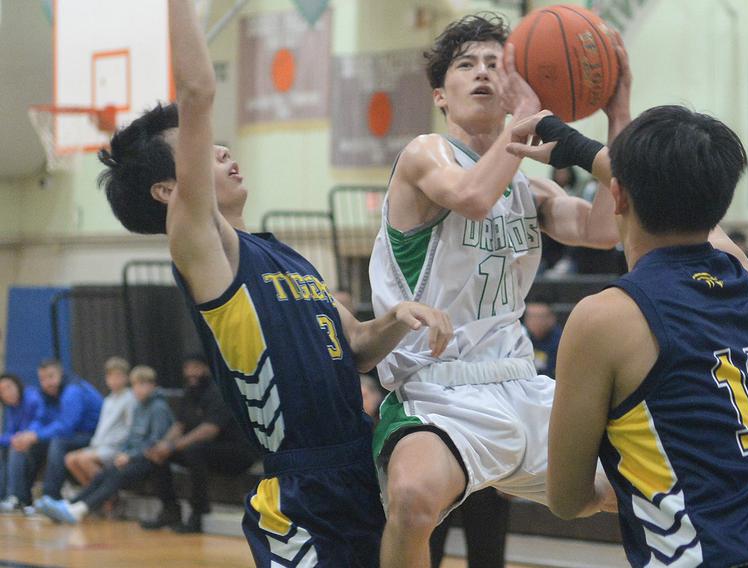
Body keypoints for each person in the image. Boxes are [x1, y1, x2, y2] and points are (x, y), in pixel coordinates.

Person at [99, 2, 451, 564]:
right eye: (196, 149)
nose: (220, 149)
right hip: (301, 493)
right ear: (170, 189)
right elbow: (196, 93)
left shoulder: (285, 254)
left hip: (364, 470)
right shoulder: (205, 250)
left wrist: (399, 317)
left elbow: (358, 347)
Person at [506, 105, 748, 566]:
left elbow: (567, 497)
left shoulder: (603, 319)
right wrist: (576, 144)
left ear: (616, 196)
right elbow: (669, 191)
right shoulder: (741, 274)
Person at [368, 14, 623, 567]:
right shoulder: (425, 153)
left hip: (519, 381)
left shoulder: (531, 187)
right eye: (467, 65)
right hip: (438, 388)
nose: (482, 72)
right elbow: (471, 197)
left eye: (494, 64)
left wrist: (617, 110)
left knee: (646, 487)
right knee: (412, 502)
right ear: (441, 94)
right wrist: (523, 123)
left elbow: (605, 229)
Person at [36, 365, 173, 524]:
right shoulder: (138, 406)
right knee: (103, 475)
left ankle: (81, 509)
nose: (138, 389)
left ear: (153, 385)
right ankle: (71, 505)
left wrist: (129, 456)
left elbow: (155, 441)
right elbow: (132, 438)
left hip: (148, 458)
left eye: (143, 384)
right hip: (132, 455)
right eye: (135, 384)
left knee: (114, 476)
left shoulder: (158, 408)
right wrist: (125, 453)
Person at [141, 355, 259, 533]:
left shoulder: (218, 392)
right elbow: (179, 425)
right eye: (188, 367)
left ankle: (198, 513)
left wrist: (172, 447)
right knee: (157, 455)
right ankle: (170, 509)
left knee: (194, 451)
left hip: (237, 453)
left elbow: (209, 430)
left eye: (196, 367)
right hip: (205, 450)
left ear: (206, 368)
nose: (191, 372)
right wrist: (163, 445)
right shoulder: (189, 392)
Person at [3, 359, 102, 511]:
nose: (47, 382)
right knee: (24, 446)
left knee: (57, 442)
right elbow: (40, 419)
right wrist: (29, 435)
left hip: (92, 436)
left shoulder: (73, 390)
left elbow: (66, 426)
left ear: (60, 374)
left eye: (51, 377)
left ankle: (50, 497)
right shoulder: (46, 395)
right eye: (42, 379)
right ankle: (19, 499)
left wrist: (35, 436)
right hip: (71, 435)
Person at [64, 356, 136, 487]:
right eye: (110, 376)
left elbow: (131, 427)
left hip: (116, 447)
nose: (114, 380)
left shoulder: (130, 398)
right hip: (100, 445)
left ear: (126, 377)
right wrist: (95, 444)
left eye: (118, 376)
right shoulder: (108, 399)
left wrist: (123, 448)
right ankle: (94, 495)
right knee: (70, 459)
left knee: (84, 460)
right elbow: (102, 426)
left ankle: (109, 495)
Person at [0, 373, 42, 510]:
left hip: (41, 441)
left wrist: (19, 437)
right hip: (23, 441)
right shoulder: (12, 408)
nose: (6, 392)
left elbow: (39, 422)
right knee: (6, 449)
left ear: (17, 385)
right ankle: (4, 496)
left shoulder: (32, 398)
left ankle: (17, 498)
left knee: (16, 449)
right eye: (2, 391)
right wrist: (11, 438)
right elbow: (11, 434)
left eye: (8, 387)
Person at [523, 301, 562, 379]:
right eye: (531, 317)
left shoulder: (560, 342)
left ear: (551, 319)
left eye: (540, 317)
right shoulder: (522, 337)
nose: (536, 322)